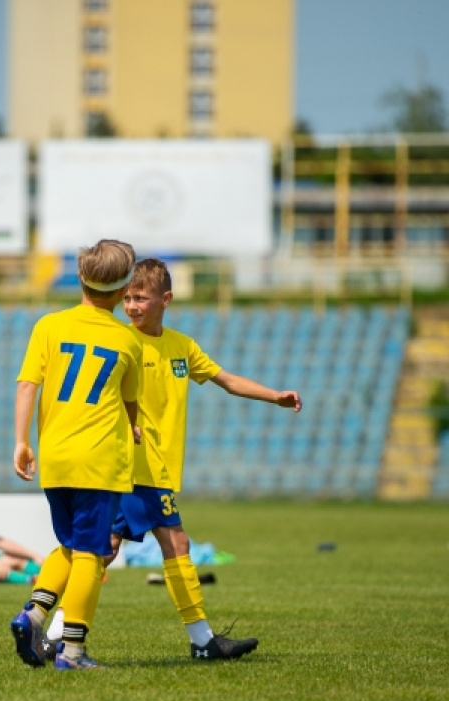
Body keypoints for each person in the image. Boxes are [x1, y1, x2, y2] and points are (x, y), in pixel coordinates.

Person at [48, 258, 303, 660]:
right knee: (174, 542)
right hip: (133, 464)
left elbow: (226, 380)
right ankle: (202, 640)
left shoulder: (181, 346)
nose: (131, 306)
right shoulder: (122, 341)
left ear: (165, 299)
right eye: (128, 298)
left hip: (155, 466)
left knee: (102, 549)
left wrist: (274, 395)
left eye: (141, 298)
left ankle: (55, 632)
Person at [10, 239, 143, 670]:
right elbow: (129, 403)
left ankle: (33, 614)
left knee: (68, 544)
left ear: (81, 279)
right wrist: (134, 426)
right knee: (92, 552)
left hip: (57, 455)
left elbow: (28, 384)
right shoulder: (127, 339)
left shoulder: (49, 325)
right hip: (99, 459)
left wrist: (21, 441)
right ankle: (72, 651)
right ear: (126, 291)